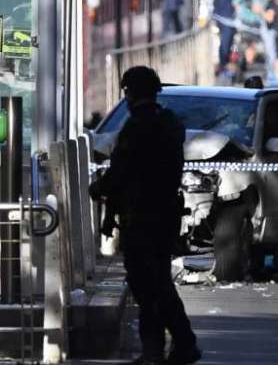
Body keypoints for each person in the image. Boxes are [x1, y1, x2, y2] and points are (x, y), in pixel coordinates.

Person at [89, 66, 201, 365]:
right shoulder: (168, 122)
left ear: (131, 92)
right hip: (165, 215)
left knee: (147, 285)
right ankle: (172, 346)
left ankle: (170, 346)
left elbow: (123, 171)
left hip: (141, 217)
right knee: (158, 282)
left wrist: (98, 187)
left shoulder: (138, 126)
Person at [213, 0, 237, 75]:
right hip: (225, 23)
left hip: (229, 24)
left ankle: (224, 65)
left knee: (228, 44)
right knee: (225, 45)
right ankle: (223, 66)